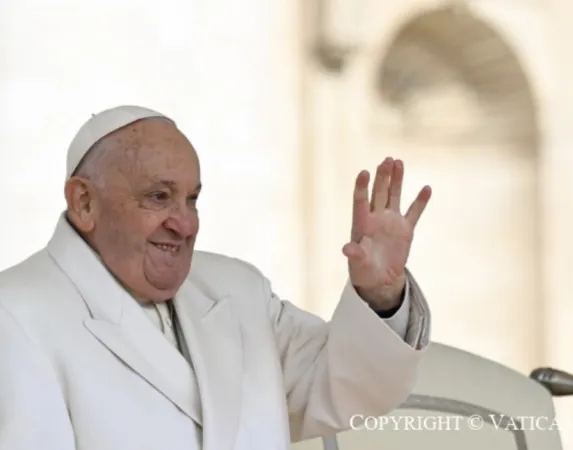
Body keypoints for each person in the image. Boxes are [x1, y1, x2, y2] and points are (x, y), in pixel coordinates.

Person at [0, 105, 433, 450]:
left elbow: (344, 389)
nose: (185, 224)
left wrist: (379, 293)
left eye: (192, 199)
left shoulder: (237, 290)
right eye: (158, 197)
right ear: (84, 203)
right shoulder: (17, 316)